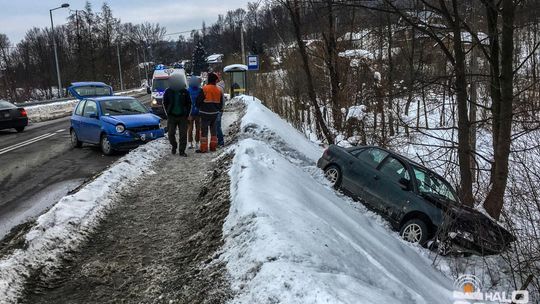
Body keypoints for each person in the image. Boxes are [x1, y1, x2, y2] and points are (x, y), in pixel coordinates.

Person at [162, 72, 191, 156]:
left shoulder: (184, 91)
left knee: (183, 135)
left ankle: (182, 151)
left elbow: (189, 103)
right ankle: (174, 145)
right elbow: (165, 102)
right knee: (170, 134)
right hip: (172, 116)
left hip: (182, 116)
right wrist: (168, 111)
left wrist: (186, 113)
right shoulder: (168, 91)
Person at [196, 72, 223, 153]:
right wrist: (216, 109)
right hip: (214, 114)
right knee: (213, 131)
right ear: (215, 80)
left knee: (204, 131)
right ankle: (213, 147)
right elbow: (220, 104)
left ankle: (204, 148)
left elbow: (198, 101)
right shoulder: (218, 90)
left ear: (208, 79)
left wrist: (200, 107)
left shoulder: (204, 89)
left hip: (204, 113)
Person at [187, 76, 202, 150]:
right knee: (198, 128)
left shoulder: (187, 90)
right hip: (198, 112)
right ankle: (197, 142)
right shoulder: (200, 90)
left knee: (190, 128)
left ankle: (190, 142)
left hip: (190, 112)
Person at [216, 78, 226, 147]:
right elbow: (223, 100)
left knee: (217, 126)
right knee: (218, 126)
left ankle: (220, 141)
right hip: (220, 110)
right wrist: (222, 109)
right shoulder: (221, 88)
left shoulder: (218, 88)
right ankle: (220, 141)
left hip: (217, 110)